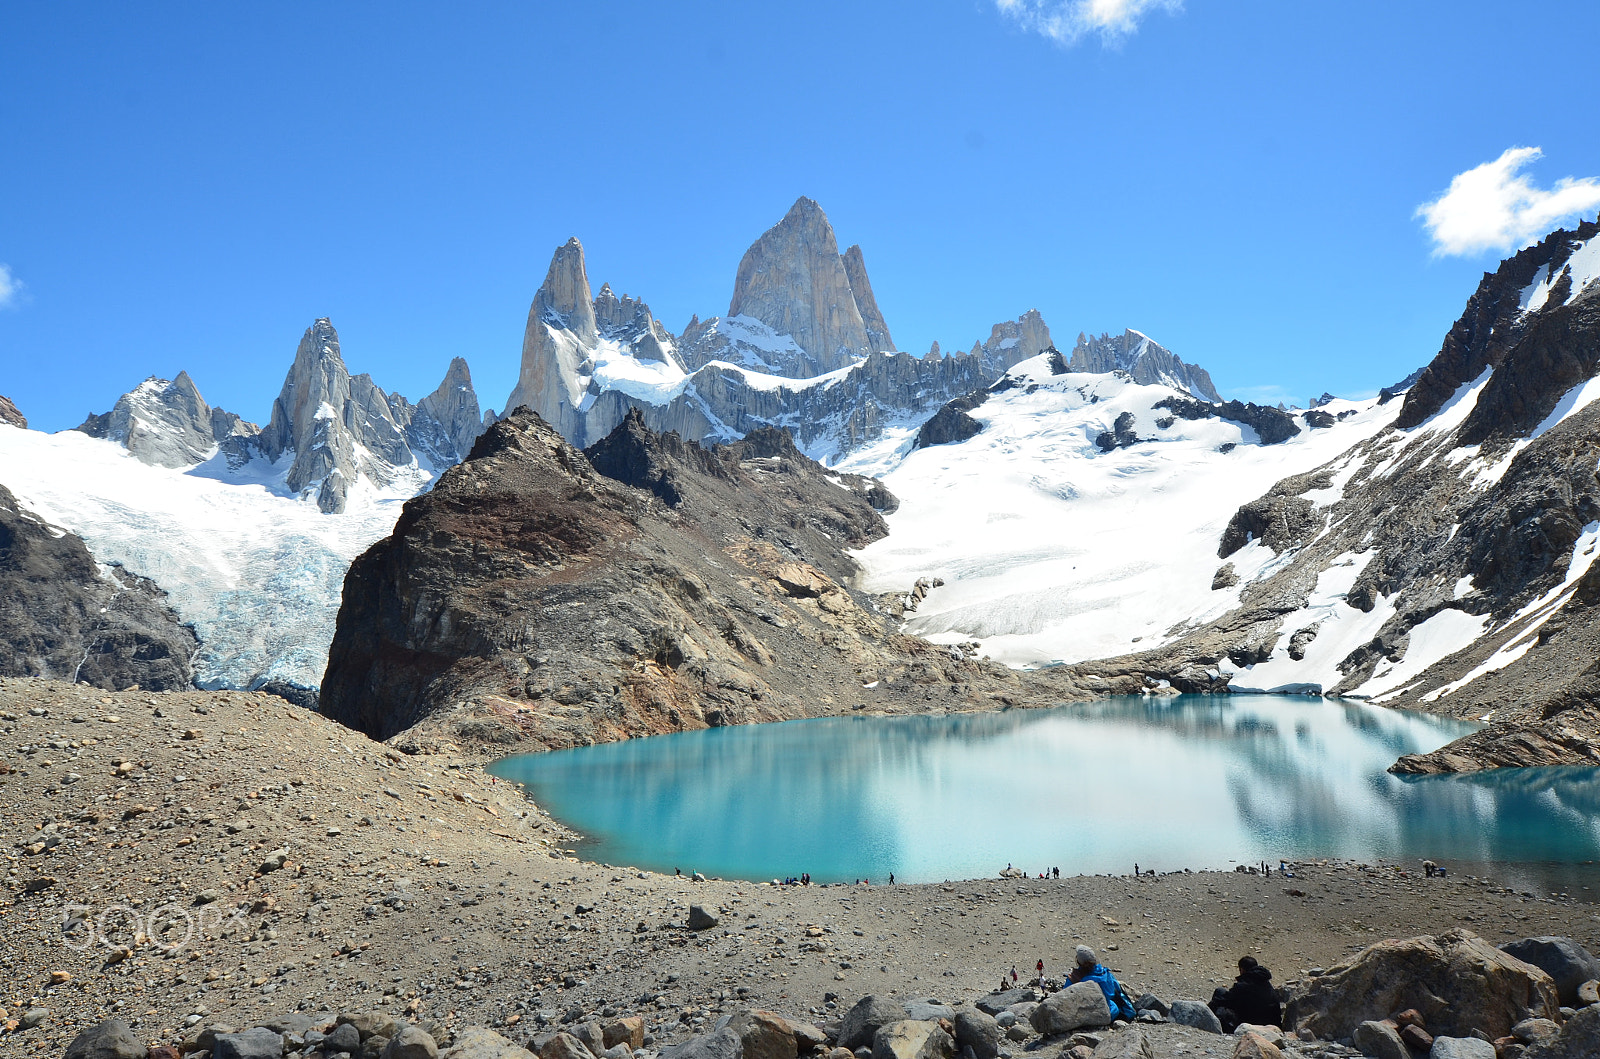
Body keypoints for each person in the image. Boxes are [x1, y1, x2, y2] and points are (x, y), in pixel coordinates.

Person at [1209, 956, 1282, 1032]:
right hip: (1272, 1025)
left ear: (1242, 970)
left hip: (1251, 1024)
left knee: (1220, 997)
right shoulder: (1266, 984)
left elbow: (1226, 1001)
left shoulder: (1244, 985)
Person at [1068, 946, 1135, 1021]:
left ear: (1078, 961)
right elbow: (1116, 990)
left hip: (1084, 1012)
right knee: (1114, 1006)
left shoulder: (1075, 977)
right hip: (1108, 1011)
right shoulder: (1105, 974)